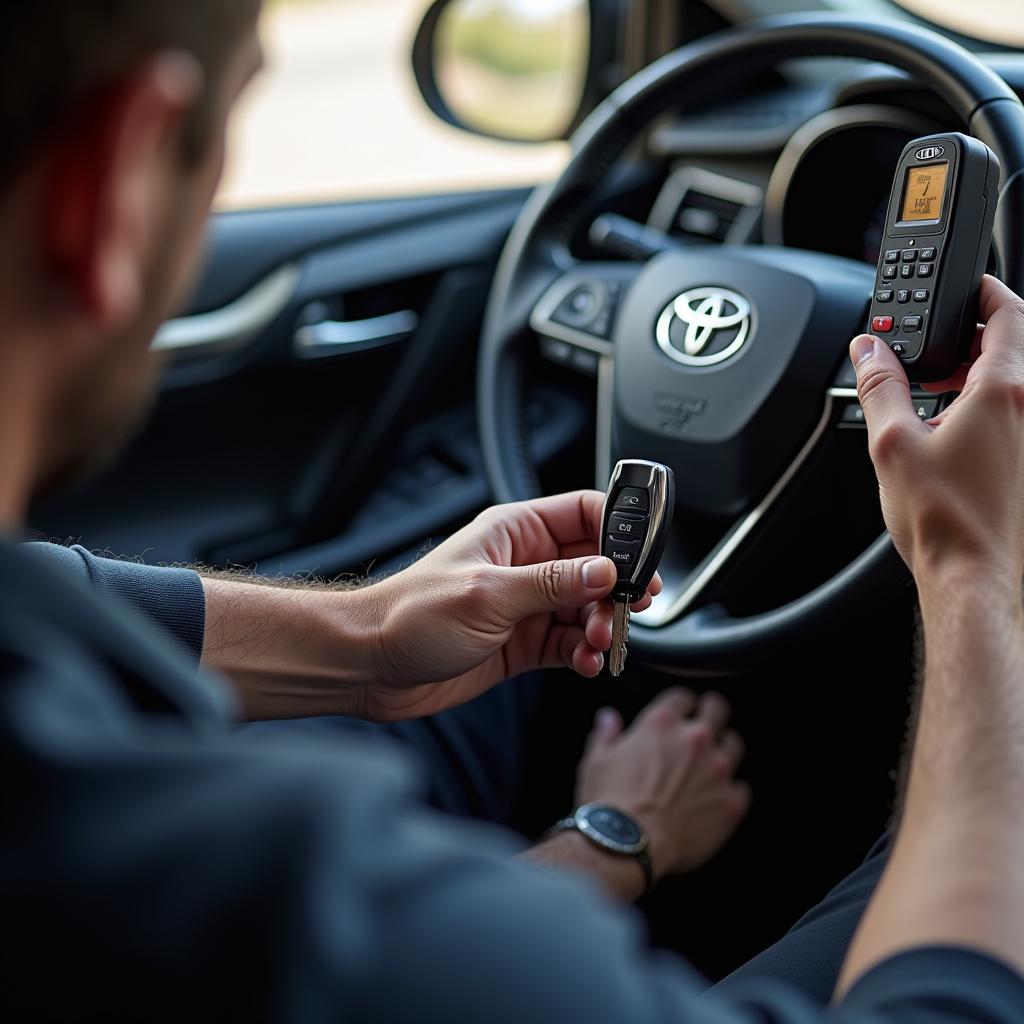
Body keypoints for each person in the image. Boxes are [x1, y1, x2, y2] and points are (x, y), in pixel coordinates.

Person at [3, 2, 1024, 1021]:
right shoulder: (287, 907)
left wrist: (368, 631)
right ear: (116, 185)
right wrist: (977, 571)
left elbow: (36, 593)